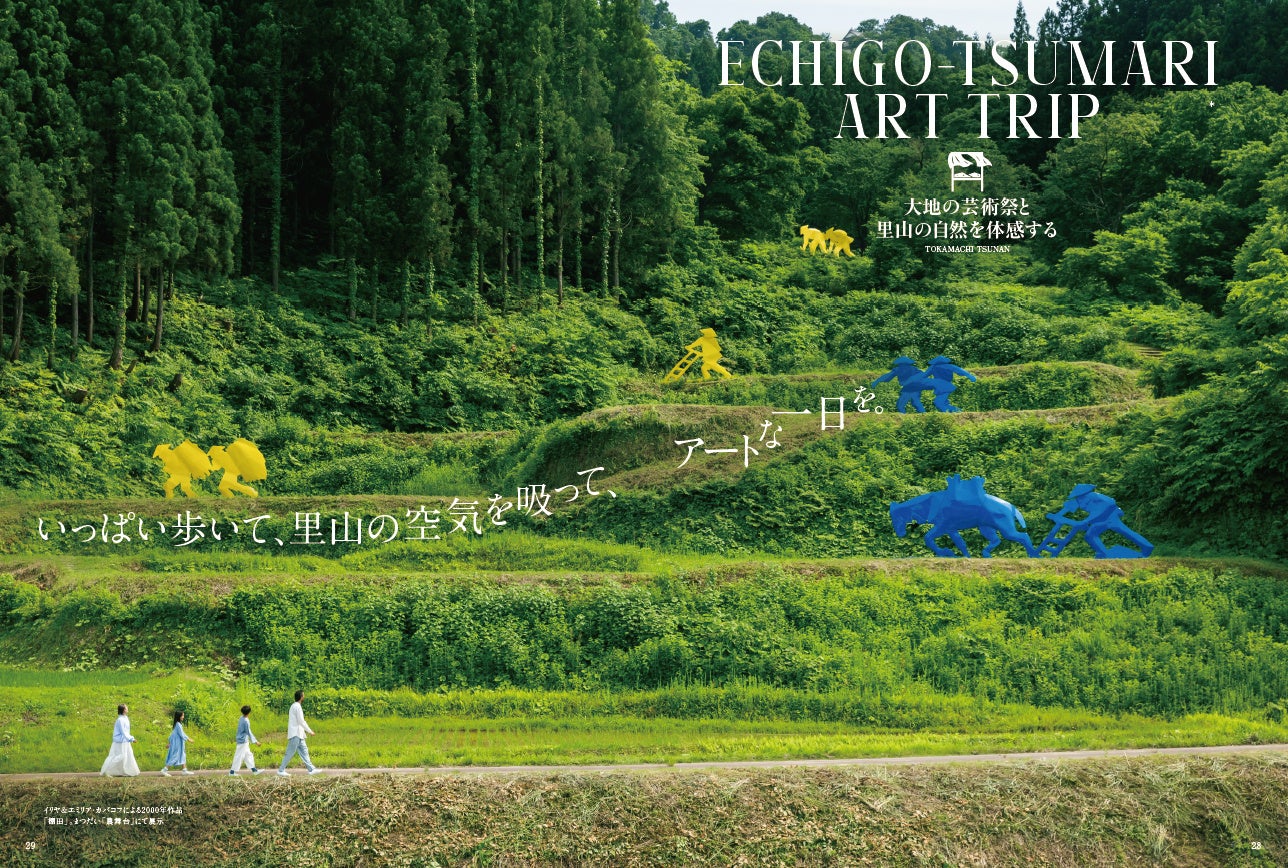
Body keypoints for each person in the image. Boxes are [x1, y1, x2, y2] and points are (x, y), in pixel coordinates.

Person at [278, 690, 323, 776]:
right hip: (295, 734)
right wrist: (310, 731)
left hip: (299, 734)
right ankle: (281, 770)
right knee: (290, 752)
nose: (304, 697)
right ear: (301, 697)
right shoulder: (297, 707)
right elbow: (301, 721)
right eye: (303, 695)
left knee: (304, 751)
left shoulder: (294, 706)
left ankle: (311, 769)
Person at [100, 704, 140, 777]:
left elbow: (126, 732)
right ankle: (107, 770)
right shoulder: (120, 720)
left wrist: (129, 739)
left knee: (128, 755)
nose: (127, 708)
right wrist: (131, 739)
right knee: (120, 756)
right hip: (120, 741)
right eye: (126, 707)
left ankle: (125, 771)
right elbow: (123, 731)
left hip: (125, 740)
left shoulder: (125, 718)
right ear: (124, 710)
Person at [230, 704, 262, 775]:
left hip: (243, 740)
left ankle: (254, 771)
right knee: (238, 756)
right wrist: (256, 741)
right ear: (249, 713)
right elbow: (249, 732)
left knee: (248, 755)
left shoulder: (241, 718)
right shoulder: (246, 721)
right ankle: (232, 772)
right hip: (242, 741)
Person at [161, 710, 194, 776]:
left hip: (179, 744)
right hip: (177, 745)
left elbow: (172, 735)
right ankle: (164, 770)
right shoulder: (178, 725)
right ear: (179, 716)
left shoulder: (177, 725)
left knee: (182, 755)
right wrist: (188, 739)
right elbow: (182, 734)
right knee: (175, 756)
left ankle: (184, 770)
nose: (183, 717)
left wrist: (169, 743)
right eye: (182, 715)